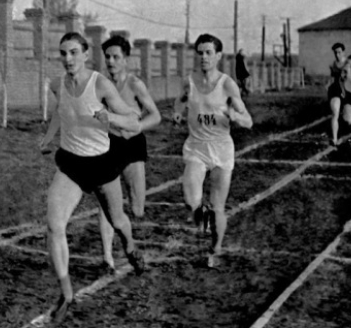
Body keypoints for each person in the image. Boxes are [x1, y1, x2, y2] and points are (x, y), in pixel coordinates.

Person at [39, 32, 147, 324]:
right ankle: (66, 294)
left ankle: (130, 246)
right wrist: (48, 138)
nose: (68, 59)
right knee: (53, 224)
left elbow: (133, 120)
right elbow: (61, 113)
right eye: (63, 53)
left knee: (119, 222)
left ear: (86, 54)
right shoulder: (56, 84)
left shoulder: (100, 83)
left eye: (74, 52)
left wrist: (110, 118)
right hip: (71, 164)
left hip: (101, 164)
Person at [173, 34, 253, 268]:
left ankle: (216, 247)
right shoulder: (189, 81)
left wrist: (235, 116)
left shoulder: (227, 84)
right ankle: (203, 219)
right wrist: (177, 112)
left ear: (218, 56)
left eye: (209, 52)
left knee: (217, 206)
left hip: (221, 149)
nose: (204, 57)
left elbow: (248, 120)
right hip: (197, 148)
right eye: (200, 52)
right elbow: (180, 101)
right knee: (191, 201)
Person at [93, 35, 162, 271]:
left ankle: (126, 229)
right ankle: (107, 258)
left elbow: (155, 115)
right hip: (109, 146)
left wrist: (137, 126)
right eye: (108, 57)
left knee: (137, 209)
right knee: (106, 202)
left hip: (132, 146)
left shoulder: (135, 84)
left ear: (126, 60)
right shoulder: (100, 85)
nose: (111, 62)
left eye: (116, 57)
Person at [328, 43, 347, 146]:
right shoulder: (333, 65)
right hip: (336, 91)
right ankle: (334, 138)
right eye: (335, 53)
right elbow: (332, 79)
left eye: (339, 52)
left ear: (343, 52)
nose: (337, 55)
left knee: (348, 117)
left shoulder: (349, 64)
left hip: (348, 91)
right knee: (335, 113)